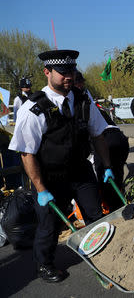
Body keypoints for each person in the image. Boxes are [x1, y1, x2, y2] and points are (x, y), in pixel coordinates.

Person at [8, 50, 114, 283]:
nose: (69, 76)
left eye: (72, 71)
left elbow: (98, 136)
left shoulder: (83, 100)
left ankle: (102, 256)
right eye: (63, 72)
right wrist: (40, 188)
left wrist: (107, 166)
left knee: (96, 215)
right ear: (47, 72)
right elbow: (27, 153)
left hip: (79, 170)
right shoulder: (33, 109)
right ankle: (44, 264)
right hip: (49, 177)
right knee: (49, 225)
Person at [74, 71, 129, 211]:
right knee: (116, 177)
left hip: (106, 139)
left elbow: (92, 133)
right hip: (120, 139)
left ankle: (113, 210)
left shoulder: (80, 102)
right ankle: (121, 208)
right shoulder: (87, 99)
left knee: (105, 179)